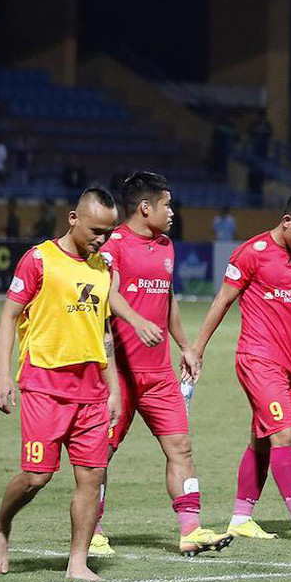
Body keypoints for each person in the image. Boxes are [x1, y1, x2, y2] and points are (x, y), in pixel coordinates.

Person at [0, 186, 121, 581]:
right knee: (36, 477)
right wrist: (1, 373)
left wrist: (112, 387)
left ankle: (77, 562)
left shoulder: (102, 267)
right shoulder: (39, 260)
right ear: (73, 219)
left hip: (92, 390)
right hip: (45, 386)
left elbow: (104, 331)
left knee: (91, 476)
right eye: (96, 230)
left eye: (108, 232)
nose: (101, 239)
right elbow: (9, 315)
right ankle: (1, 524)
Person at [94, 171, 232, 557]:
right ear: (145, 206)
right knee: (100, 452)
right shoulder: (114, 245)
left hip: (159, 374)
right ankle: (93, 529)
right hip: (117, 374)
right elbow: (108, 292)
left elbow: (167, 298)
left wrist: (186, 345)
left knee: (181, 448)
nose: (172, 211)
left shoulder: (167, 246)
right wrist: (137, 322)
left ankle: (191, 530)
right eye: (167, 204)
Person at [193, 191, 291, 543]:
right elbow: (222, 301)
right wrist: (197, 348)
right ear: (287, 222)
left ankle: (241, 517)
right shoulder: (252, 254)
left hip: (289, 364)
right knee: (284, 433)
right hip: (256, 359)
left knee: (263, 440)